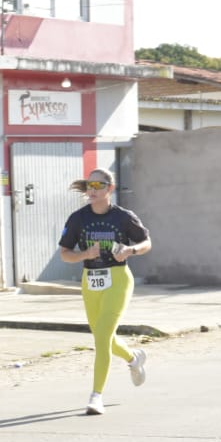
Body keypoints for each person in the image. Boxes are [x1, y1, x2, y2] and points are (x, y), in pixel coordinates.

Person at [57, 168, 152, 416]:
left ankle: (96, 396)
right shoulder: (78, 219)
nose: (92, 189)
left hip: (118, 280)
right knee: (103, 336)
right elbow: (65, 254)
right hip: (91, 281)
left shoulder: (123, 217)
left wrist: (130, 250)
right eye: (90, 185)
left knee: (102, 337)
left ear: (110, 189)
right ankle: (133, 359)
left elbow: (146, 243)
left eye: (98, 185)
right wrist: (85, 254)